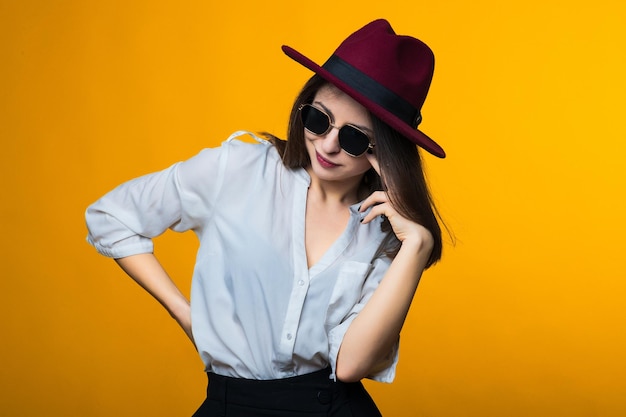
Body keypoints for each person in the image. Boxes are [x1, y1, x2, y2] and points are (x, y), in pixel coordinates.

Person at [85, 18, 447, 417]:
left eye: (354, 138)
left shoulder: (384, 228)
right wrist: (185, 314)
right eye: (318, 120)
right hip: (231, 403)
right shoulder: (238, 169)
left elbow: (350, 365)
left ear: (385, 151)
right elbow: (111, 217)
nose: (327, 145)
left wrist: (417, 245)